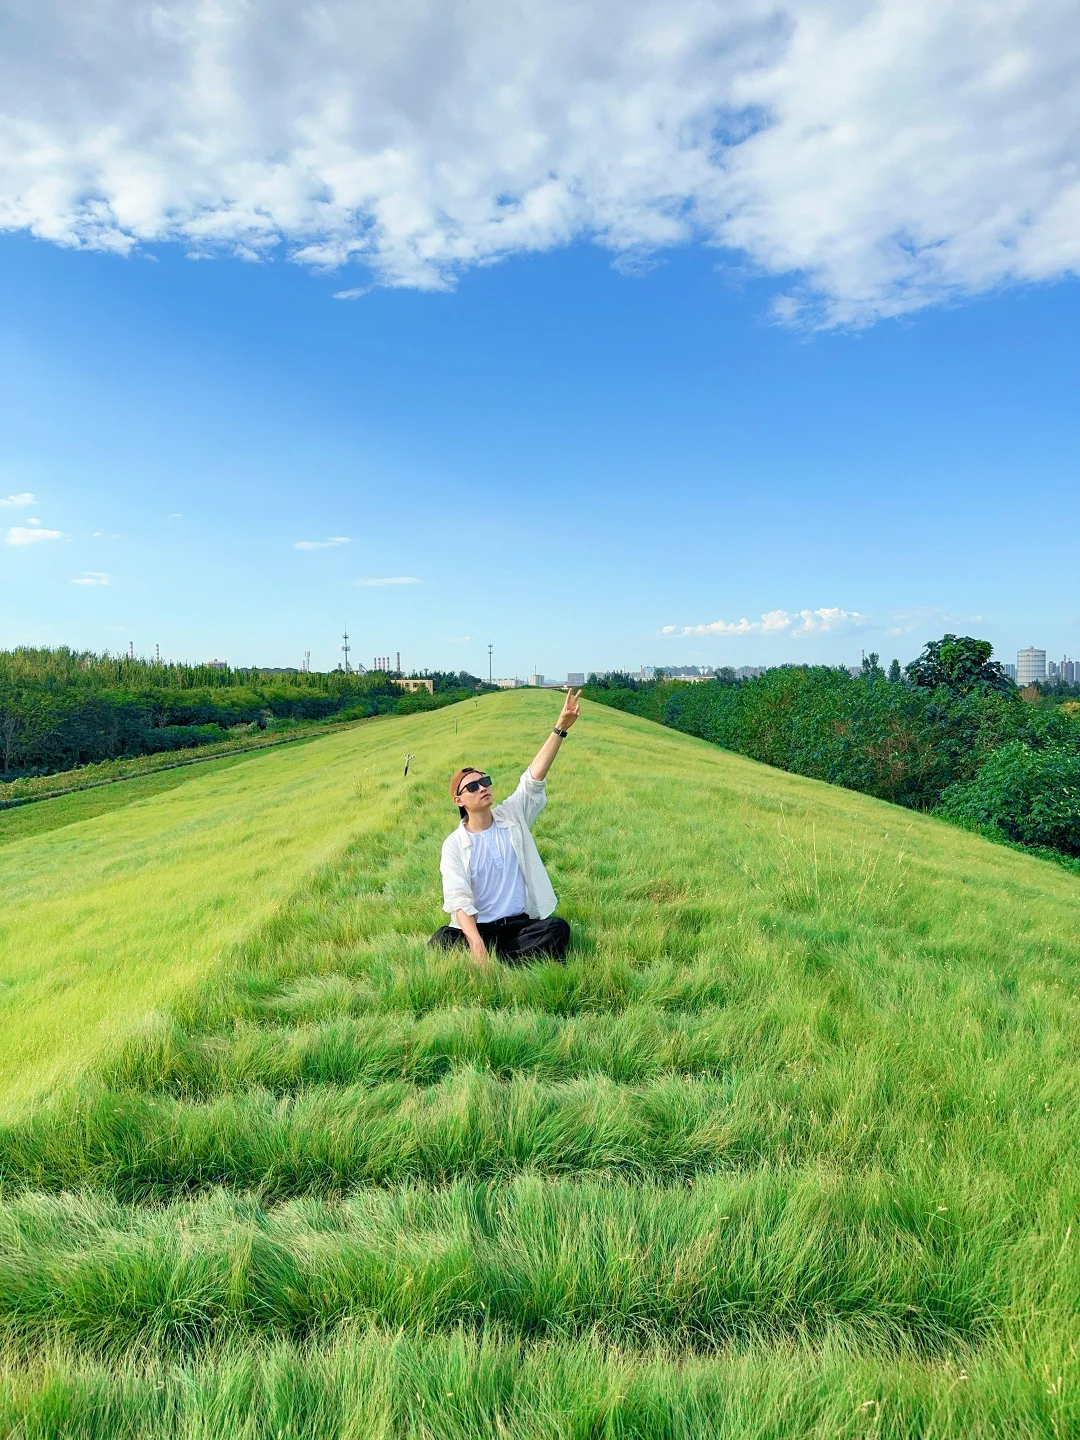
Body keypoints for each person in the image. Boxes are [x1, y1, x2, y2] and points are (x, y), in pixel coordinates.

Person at [429, 689, 581, 965]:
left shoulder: (511, 816)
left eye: (484, 781)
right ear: (458, 800)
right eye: (472, 787)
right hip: (479, 929)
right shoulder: (454, 844)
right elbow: (458, 898)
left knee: (557, 928)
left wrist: (560, 728)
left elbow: (532, 779)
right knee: (442, 940)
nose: (482, 788)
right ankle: (508, 959)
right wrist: (476, 943)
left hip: (518, 926)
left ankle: (499, 960)